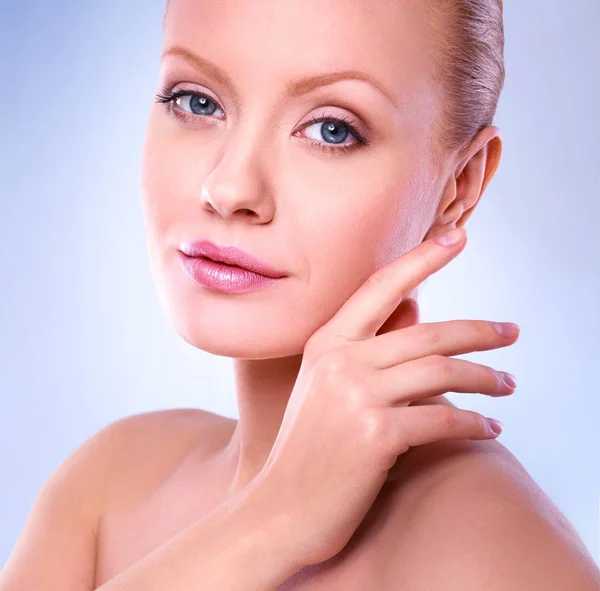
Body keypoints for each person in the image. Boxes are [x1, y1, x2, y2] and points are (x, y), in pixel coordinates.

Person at [1, 0, 598, 589]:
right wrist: (270, 520)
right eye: (196, 101)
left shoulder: (494, 557)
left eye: (332, 129)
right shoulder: (111, 483)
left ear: (458, 188)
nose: (230, 186)